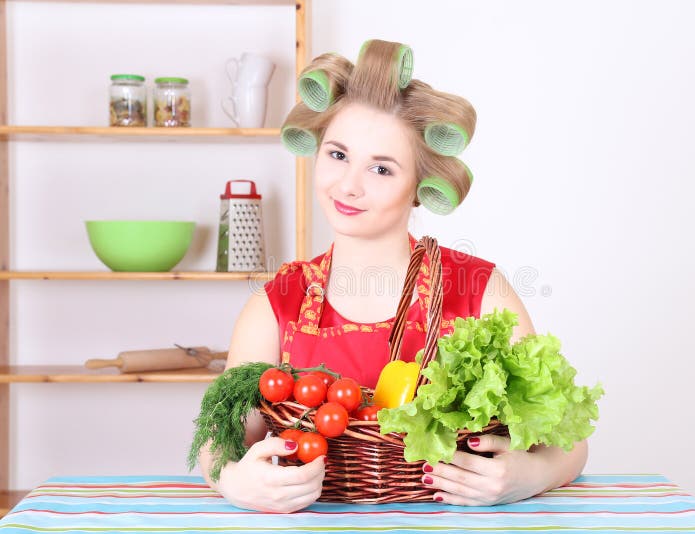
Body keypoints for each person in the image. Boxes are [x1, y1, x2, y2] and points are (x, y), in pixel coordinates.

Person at [198, 39, 588, 513]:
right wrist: (233, 480)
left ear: (419, 187)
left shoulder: (483, 293)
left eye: (381, 168)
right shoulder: (276, 304)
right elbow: (219, 438)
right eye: (337, 155)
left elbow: (569, 441)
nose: (348, 185)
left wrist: (532, 473)